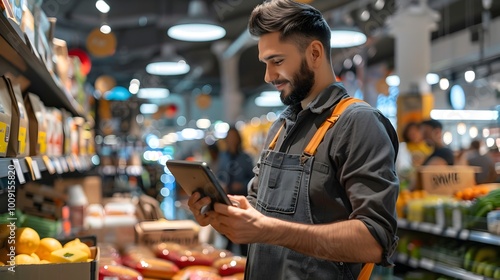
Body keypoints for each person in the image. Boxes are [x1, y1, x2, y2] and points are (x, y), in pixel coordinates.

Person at [188, 1, 399, 279]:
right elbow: (259, 210)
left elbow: (375, 239)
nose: (268, 76)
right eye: (265, 63)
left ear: (314, 53)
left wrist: (268, 230)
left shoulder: (358, 122)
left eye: (277, 61)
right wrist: (225, 214)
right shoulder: (279, 128)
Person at [216, 126, 255, 256]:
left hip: (242, 200)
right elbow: (219, 175)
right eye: (229, 137)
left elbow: (253, 179)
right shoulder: (223, 157)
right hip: (226, 199)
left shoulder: (246, 158)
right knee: (227, 236)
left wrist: (242, 185)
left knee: (243, 238)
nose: (231, 140)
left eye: (234, 137)